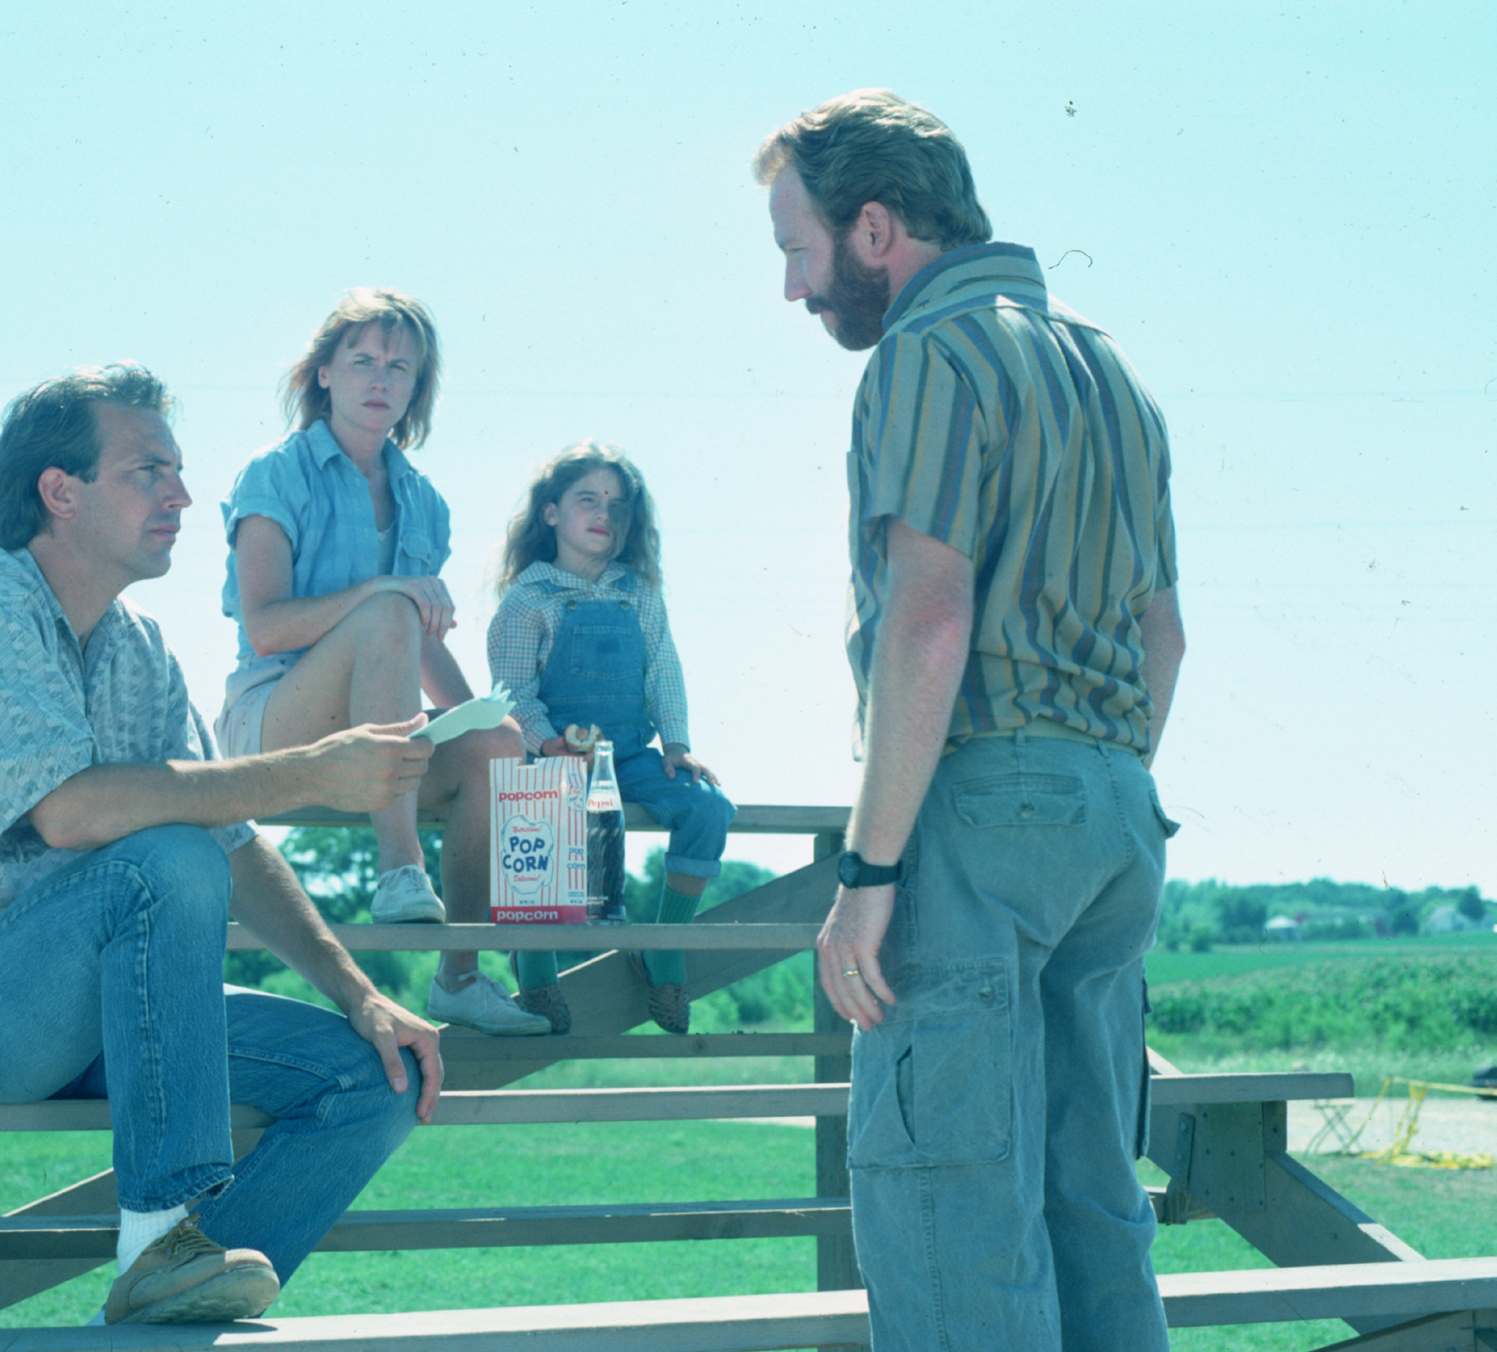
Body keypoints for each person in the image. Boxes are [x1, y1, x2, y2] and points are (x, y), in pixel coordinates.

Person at [0, 362, 444, 1326]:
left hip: (95, 998)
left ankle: (179, 1302)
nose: (183, 495)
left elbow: (233, 844)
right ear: (58, 493)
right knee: (163, 858)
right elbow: (70, 814)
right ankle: (161, 1239)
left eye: (180, 471)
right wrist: (311, 771)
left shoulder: (140, 645)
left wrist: (361, 998)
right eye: (148, 470)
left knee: (377, 1077)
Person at [756, 90, 1186, 1351]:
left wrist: (867, 868)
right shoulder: (1113, 370)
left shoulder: (924, 356)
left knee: (947, 1205)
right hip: (1115, 813)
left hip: (976, 814)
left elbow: (928, 619)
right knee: (1091, 1202)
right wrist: (1073, 782)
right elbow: (1164, 636)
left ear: (874, 227)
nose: (791, 288)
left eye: (797, 249)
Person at [217, 288, 544, 1037]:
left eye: (399, 367)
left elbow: (415, 640)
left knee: (497, 747)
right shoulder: (275, 474)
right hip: (271, 722)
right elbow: (265, 627)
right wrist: (384, 593)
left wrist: (499, 721)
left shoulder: (422, 500)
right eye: (361, 360)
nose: (380, 380)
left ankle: (460, 978)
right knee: (388, 608)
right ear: (323, 372)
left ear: (416, 386)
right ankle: (400, 868)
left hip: (374, 736)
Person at [486, 442, 735, 1035]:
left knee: (709, 807)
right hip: (551, 754)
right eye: (587, 500)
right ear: (551, 513)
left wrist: (675, 743)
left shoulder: (639, 592)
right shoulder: (528, 599)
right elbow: (513, 691)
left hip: (627, 754)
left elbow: (663, 671)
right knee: (537, 825)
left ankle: (663, 947)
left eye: (618, 506)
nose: (604, 514)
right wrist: (547, 744)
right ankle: (537, 969)